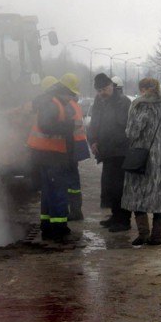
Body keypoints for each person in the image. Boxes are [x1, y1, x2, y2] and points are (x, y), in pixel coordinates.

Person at [121, 78, 161, 246]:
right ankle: (157, 236)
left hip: (142, 156)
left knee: (137, 195)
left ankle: (143, 233)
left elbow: (133, 131)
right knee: (159, 196)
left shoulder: (139, 104)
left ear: (142, 89)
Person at [27, 77, 77, 242]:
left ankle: (47, 225)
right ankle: (59, 229)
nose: (71, 99)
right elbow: (46, 125)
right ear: (64, 92)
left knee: (49, 193)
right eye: (70, 96)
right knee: (57, 192)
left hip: (46, 155)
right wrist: (69, 126)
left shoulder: (51, 101)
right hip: (52, 156)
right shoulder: (52, 103)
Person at [88, 73, 132, 232]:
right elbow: (94, 123)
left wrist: (112, 143)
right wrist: (92, 140)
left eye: (105, 89)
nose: (102, 93)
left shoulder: (123, 102)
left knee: (120, 186)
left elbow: (124, 127)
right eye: (99, 91)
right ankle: (115, 215)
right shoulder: (99, 102)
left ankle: (124, 219)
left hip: (120, 151)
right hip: (106, 151)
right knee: (110, 186)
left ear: (111, 86)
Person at [59, 73, 90, 221]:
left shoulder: (67, 105)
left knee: (69, 179)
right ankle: (77, 211)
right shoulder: (75, 103)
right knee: (73, 179)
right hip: (78, 144)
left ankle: (74, 212)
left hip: (71, 145)